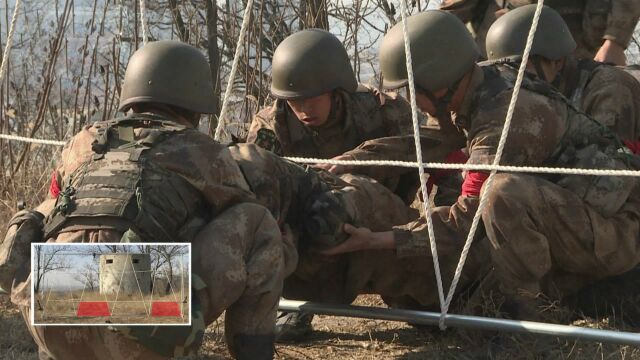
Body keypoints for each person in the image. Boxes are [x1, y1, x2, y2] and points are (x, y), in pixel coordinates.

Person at [323, 10, 640, 322]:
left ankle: (533, 321)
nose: (412, 100)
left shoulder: (506, 116)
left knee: (501, 194)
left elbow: (466, 221)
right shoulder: (480, 83)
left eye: (414, 91)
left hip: (616, 231)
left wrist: (382, 239)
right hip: (570, 218)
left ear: (438, 83)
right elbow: (424, 141)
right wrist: (354, 161)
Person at [0, 40, 295, 360]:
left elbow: (53, 211)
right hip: (137, 323)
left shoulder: (84, 142)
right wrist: (287, 250)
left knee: (53, 208)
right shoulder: (199, 150)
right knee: (257, 221)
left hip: (52, 314)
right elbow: (243, 227)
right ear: (195, 106)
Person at [247, 29, 416, 160]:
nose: (305, 109)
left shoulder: (383, 110)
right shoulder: (271, 128)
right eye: (294, 100)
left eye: (312, 97)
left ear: (335, 90)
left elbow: (421, 153)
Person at [485, 4, 640, 145]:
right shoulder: (535, 95)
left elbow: (608, 164)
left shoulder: (607, 89)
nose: (514, 77)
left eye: (520, 67)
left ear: (557, 61)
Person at [440, 0, 640, 65]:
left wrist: (614, 41)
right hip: (497, 45)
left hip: (573, 48)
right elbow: (456, 7)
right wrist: (433, 30)